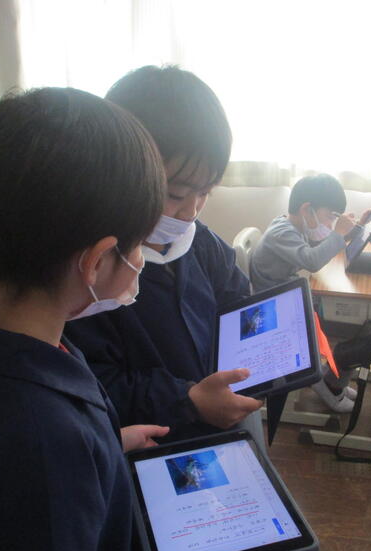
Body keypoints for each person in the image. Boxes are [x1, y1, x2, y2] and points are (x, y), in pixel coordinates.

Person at [0, 88, 265, 551]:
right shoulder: (46, 436)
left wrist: (105, 448)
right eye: (139, 244)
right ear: (96, 262)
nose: (146, 255)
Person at [66, 66, 263, 443]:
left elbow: (234, 300)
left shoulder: (200, 242)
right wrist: (187, 400)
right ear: (121, 173)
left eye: (205, 192)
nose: (191, 211)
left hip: (220, 417)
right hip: (154, 440)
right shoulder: (95, 276)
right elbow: (93, 384)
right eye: (176, 194)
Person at [249, 174, 371, 412]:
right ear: (307, 209)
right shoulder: (282, 232)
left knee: (343, 319)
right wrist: (338, 234)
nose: (330, 224)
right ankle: (323, 385)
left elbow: (317, 247)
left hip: (286, 295)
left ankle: (332, 379)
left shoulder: (294, 226)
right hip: (276, 306)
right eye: (330, 216)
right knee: (340, 325)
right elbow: (311, 260)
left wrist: (357, 227)